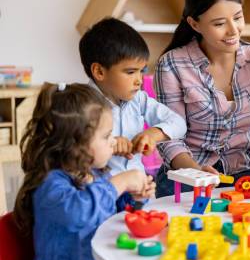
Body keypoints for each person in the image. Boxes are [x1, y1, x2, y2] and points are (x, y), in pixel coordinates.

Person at [13, 83, 189, 260]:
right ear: (77, 144)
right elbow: (79, 212)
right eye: (107, 136)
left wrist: (136, 199)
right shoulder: (51, 185)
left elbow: (115, 216)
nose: (114, 142)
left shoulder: (95, 175)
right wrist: (121, 182)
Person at [154, 0, 250, 198]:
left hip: (245, 169)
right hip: (189, 172)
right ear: (194, 24)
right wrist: (194, 170)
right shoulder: (172, 64)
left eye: (238, 17)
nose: (233, 30)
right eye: (219, 23)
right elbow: (169, 137)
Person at [79, 17, 187, 176]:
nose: (139, 80)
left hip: (138, 190)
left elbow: (179, 123)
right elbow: (71, 151)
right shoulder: (80, 105)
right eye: (130, 72)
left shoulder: (139, 99)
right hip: (101, 193)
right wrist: (109, 143)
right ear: (99, 72)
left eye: (141, 71)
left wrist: (152, 134)